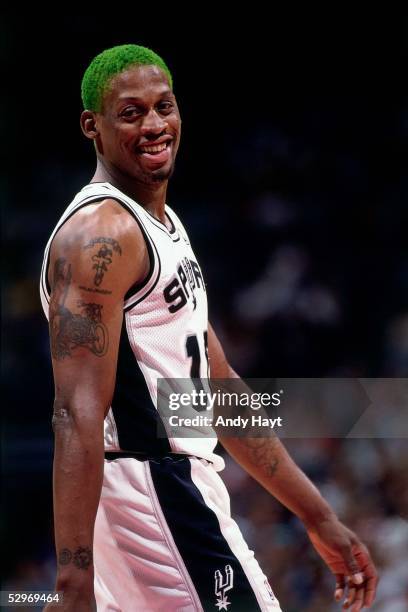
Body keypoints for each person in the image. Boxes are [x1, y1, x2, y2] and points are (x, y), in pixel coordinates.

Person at [40, 44, 378, 612]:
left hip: (168, 489)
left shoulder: (161, 224)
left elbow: (217, 390)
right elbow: (76, 413)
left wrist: (317, 514)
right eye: (131, 112)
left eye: (163, 107)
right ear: (91, 127)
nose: (154, 125)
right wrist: (72, 581)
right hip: (152, 492)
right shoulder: (101, 235)